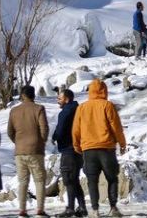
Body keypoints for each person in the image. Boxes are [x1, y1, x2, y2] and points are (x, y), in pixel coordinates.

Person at [72, 79, 127, 218]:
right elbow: (116, 127)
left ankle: (95, 210)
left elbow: (76, 129)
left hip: (88, 150)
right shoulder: (107, 105)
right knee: (112, 178)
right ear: (104, 90)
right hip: (106, 148)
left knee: (92, 180)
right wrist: (122, 143)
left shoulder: (82, 107)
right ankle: (113, 207)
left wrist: (76, 145)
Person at [7, 85, 50, 218]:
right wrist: (41, 141)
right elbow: (44, 128)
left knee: (23, 181)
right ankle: (40, 210)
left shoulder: (14, 111)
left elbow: (10, 132)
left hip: (20, 151)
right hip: (36, 150)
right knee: (39, 180)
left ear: (22, 95)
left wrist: (18, 142)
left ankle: (22, 211)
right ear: (33, 95)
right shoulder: (39, 109)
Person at [52, 89, 88, 218]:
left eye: (59, 98)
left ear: (66, 99)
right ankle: (82, 207)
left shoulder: (66, 111)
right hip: (79, 150)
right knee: (74, 179)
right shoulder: (79, 110)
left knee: (68, 179)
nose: (58, 101)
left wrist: (55, 137)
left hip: (68, 149)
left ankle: (70, 209)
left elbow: (60, 130)